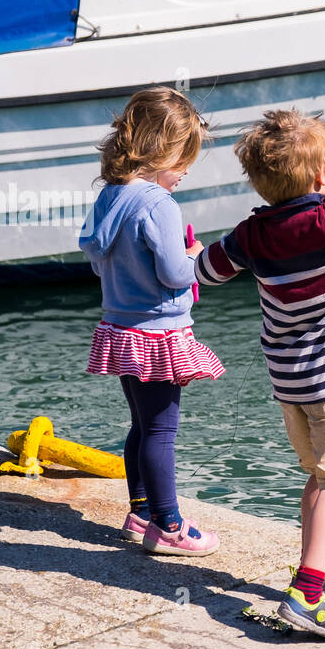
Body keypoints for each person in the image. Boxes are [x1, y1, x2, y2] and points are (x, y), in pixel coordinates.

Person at [195, 33, 325, 639]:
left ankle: (322, 565)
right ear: (323, 173)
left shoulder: (250, 235)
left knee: (317, 473)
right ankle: (307, 597)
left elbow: (205, 271)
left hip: (289, 385)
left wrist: (182, 252)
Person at [79, 87, 223, 556]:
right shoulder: (159, 204)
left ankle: (140, 511)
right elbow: (173, 273)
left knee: (142, 425)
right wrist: (195, 256)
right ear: (161, 151)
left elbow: (104, 263)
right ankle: (170, 525)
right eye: (183, 161)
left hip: (120, 329)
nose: (184, 174)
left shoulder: (110, 197)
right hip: (159, 332)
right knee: (162, 431)